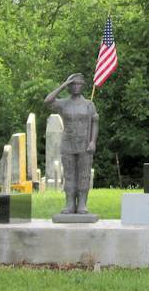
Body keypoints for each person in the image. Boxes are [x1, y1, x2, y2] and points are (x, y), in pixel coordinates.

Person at [45, 73, 99, 214]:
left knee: (84, 174)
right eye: (73, 84)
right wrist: (63, 84)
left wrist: (93, 141)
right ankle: (69, 203)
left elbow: (95, 123)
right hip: (68, 144)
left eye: (79, 84)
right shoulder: (64, 103)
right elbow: (48, 101)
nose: (76, 86)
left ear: (83, 86)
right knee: (69, 175)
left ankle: (82, 204)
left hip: (84, 144)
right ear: (69, 86)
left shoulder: (89, 104)